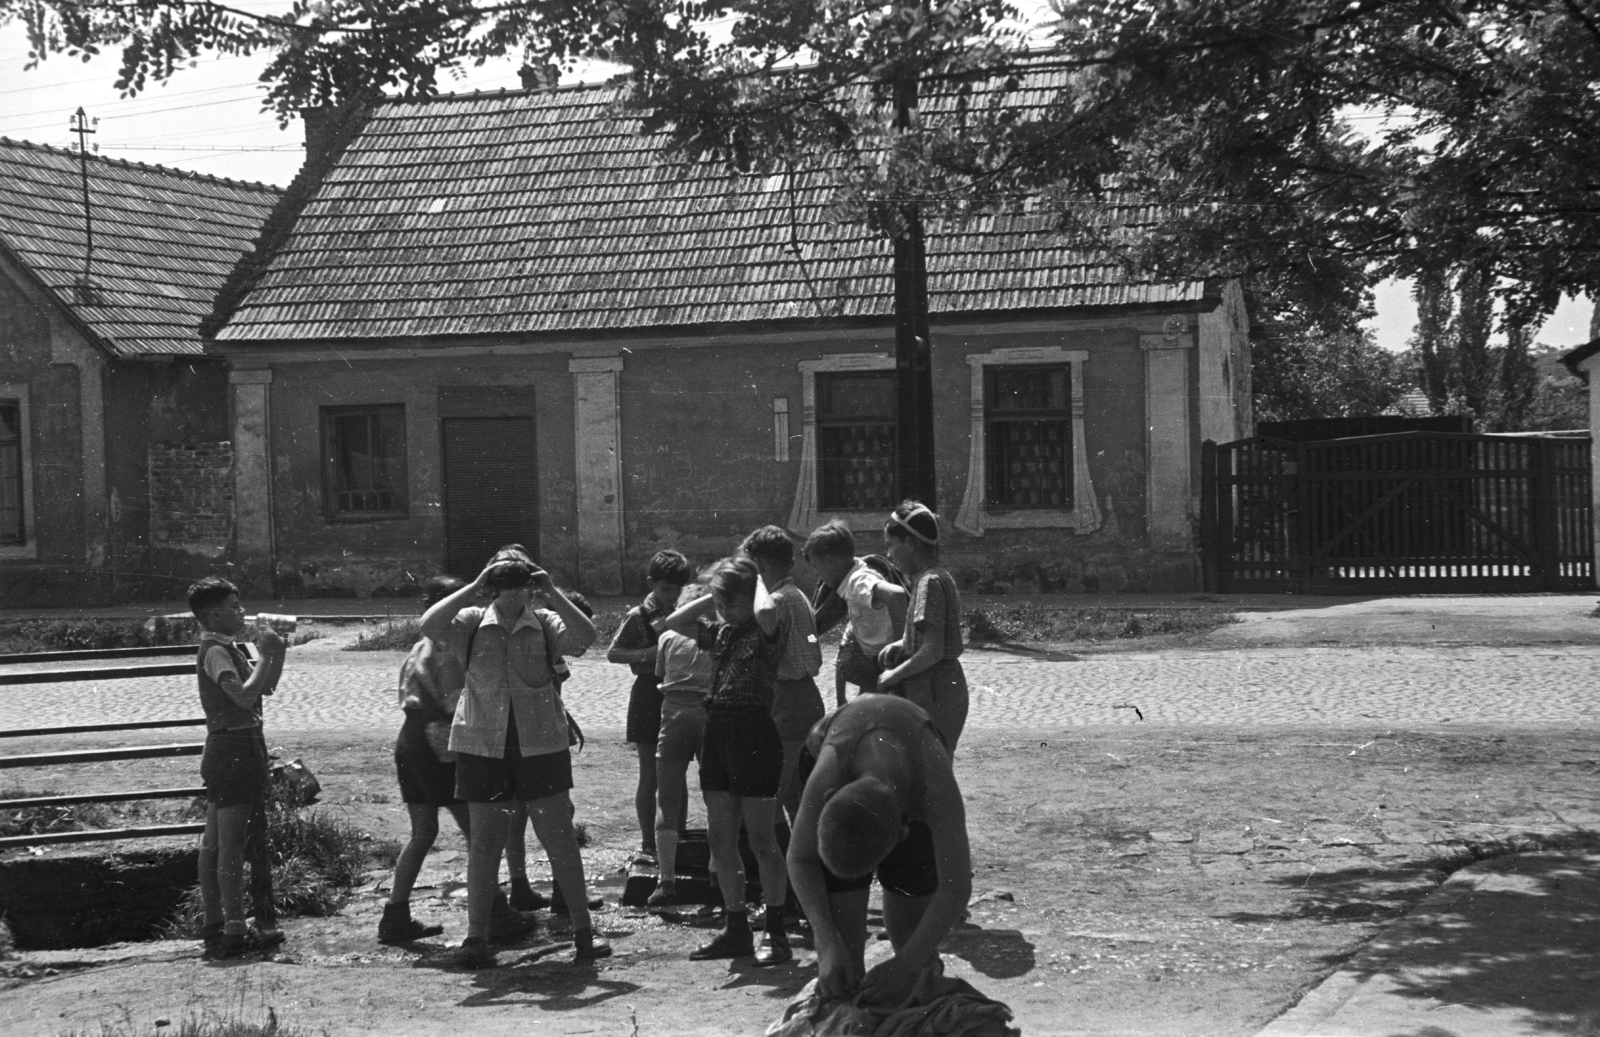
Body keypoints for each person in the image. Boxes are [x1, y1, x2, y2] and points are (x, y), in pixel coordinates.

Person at [420, 544, 610, 969]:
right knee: (486, 842)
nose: (510, 587)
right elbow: (428, 625)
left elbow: (586, 639)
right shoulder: (471, 621)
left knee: (559, 838)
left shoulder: (545, 622)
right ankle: (476, 937)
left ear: (530, 582)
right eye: (501, 578)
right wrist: (475, 585)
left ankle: (583, 931)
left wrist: (551, 590)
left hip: (540, 743)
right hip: (482, 743)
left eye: (518, 577)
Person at [379, 576, 539, 944]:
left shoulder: (419, 646)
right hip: (440, 746)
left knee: (423, 833)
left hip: (410, 742)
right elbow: (455, 702)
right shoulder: (449, 648)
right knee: (479, 836)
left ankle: (395, 914)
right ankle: (495, 912)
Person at [786, 693, 971, 1008]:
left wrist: (908, 964)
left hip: (911, 749)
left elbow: (956, 888)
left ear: (903, 834)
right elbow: (799, 857)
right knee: (842, 966)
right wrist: (825, 939)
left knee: (916, 959)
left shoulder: (935, 788)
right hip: (835, 739)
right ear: (830, 798)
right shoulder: (827, 773)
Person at [659, 557, 792, 966]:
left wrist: (754, 580)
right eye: (721, 604)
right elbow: (674, 622)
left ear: (751, 598)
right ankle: (736, 928)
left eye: (731, 603)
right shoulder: (722, 632)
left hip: (753, 732)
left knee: (762, 840)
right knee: (720, 838)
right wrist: (714, 596)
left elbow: (766, 611)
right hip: (717, 729)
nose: (724, 611)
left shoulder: (768, 631)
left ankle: (776, 930)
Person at [188, 577, 286, 959]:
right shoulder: (216, 652)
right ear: (214, 615)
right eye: (235, 606)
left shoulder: (226, 647)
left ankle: (215, 923)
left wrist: (275, 654)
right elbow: (244, 699)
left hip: (234, 746)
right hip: (234, 749)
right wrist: (264, 655)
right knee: (230, 846)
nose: (242, 612)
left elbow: (266, 688)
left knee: (214, 843)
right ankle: (234, 927)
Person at [503, 587, 599, 915]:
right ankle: (563, 893)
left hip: (523, 734)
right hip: (536, 737)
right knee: (559, 814)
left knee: (517, 815)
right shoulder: (542, 634)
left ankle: (521, 886)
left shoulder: (540, 638)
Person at [608, 550, 695, 861]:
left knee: (678, 774)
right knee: (650, 775)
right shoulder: (638, 616)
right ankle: (648, 843)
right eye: (666, 589)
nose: (672, 596)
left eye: (678, 590)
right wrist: (650, 653)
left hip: (681, 692)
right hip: (648, 694)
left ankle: (679, 841)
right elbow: (613, 653)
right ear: (651, 583)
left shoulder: (688, 610)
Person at [740, 525, 823, 826]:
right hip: (807, 696)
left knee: (772, 791)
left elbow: (763, 648)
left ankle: (780, 852)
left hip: (787, 699)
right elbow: (812, 640)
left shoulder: (776, 601)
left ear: (760, 565)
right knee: (795, 792)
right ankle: (802, 850)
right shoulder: (799, 596)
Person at [643, 586, 715, 910]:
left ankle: (666, 880)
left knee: (667, 799)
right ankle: (715, 872)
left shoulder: (668, 637)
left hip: (673, 714)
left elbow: (659, 673)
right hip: (710, 712)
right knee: (716, 797)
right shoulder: (718, 637)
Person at [876, 501, 969, 752]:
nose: (888, 555)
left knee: (928, 764)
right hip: (942, 684)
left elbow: (932, 651)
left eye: (890, 545)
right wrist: (900, 644)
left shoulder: (929, 583)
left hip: (934, 688)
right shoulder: (937, 576)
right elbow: (926, 637)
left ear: (909, 543)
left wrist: (893, 675)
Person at [803, 519, 907, 705]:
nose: (818, 576)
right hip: (872, 656)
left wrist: (900, 646)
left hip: (883, 662)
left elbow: (896, 595)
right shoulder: (854, 573)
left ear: (829, 562)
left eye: (817, 568)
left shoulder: (857, 582)